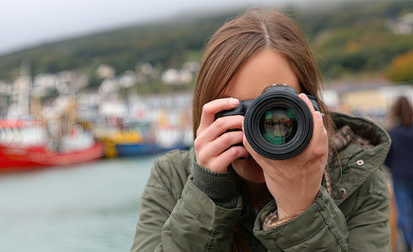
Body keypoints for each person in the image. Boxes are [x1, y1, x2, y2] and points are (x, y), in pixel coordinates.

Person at [132, 8, 391, 251]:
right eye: (237, 112)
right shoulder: (173, 177)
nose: (257, 133)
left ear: (311, 106)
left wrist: (300, 210)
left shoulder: (356, 177)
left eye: (278, 113)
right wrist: (207, 195)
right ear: (207, 112)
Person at [385, 96, 413, 251]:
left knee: (402, 212)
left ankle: (408, 242)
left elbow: (386, 157)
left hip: (400, 176)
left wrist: (394, 167)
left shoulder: (392, 133)